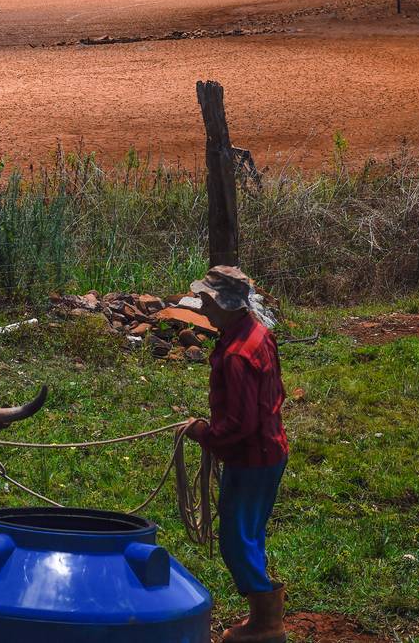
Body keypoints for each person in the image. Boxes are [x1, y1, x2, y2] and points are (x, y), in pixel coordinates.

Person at [181, 266, 289, 643]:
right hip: (271, 449)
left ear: (227, 304)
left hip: (250, 457)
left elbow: (240, 424)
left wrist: (204, 434)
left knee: (234, 538)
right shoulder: (257, 333)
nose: (204, 308)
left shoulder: (236, 355)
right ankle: (264, 617)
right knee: (251, 532)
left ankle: (267, 624)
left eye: (209, 301)